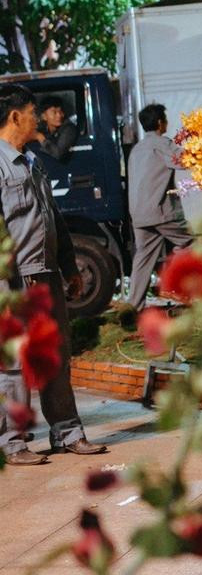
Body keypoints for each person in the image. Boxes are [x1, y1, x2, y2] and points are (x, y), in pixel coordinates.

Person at [0, 84, 107, 465]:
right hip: (12, 283)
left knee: (57, 356)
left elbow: (52, 217)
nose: (39, 118)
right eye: (33, 111)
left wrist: (68, 266)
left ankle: (68, 433)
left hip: (45, 275)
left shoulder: (32, 160)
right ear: (15, 117)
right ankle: (12, 442)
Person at [125, 104, 193, 310]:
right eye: (165, 119)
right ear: (159, 123)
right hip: (159, 211)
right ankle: (177, 286)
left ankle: (131, 308)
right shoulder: (161, 144)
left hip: (137, 213)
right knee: (190, 244)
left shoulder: (137, 149)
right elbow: (184, 160)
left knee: (143, 258)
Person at [33, 95, 79, 162]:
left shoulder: (69, 129)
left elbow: (58, 153)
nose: (59, 115)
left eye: (60, 111)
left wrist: (39, 137)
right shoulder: (45, 129)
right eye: (54, 112)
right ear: (44, 116)